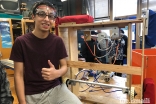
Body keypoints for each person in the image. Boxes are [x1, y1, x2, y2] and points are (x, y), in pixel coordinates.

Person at [9, 1, 82, 104]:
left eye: (51, 16)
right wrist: (22, 102)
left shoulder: (57, 41)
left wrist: (57, 73)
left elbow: (64, 66)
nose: (47, 19)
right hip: (32, 94)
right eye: (41, 14)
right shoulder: (21, 42)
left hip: (56, 89)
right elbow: (18, 75)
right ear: (33, 16)